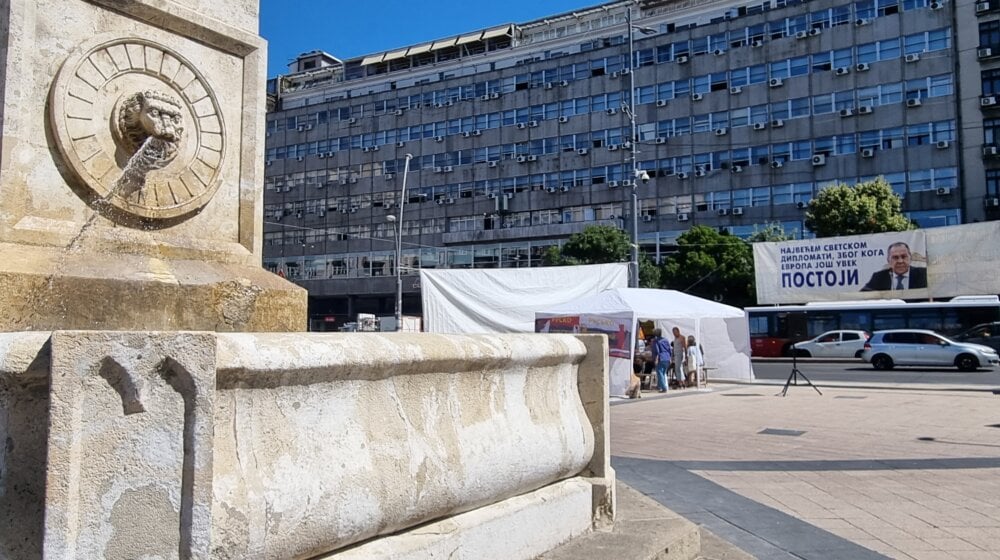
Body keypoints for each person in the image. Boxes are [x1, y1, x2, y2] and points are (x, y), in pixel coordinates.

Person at [860, 241, 928, 292]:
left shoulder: (924, 274)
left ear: (910, 258)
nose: (900, 261)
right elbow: (863, 295)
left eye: (904, 257)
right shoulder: (879, 277)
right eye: (895, 257)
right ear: (888, 260)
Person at [650, 328, 672, 393]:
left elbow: (657, 351)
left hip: (661, 358)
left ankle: (663, 387)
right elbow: (669, 349)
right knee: (663, 373)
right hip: (667, 357)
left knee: (660, 373)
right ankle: (660, 386)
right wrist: (670, 357)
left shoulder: (656, 341)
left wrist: (656, 359)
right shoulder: (666, 340)